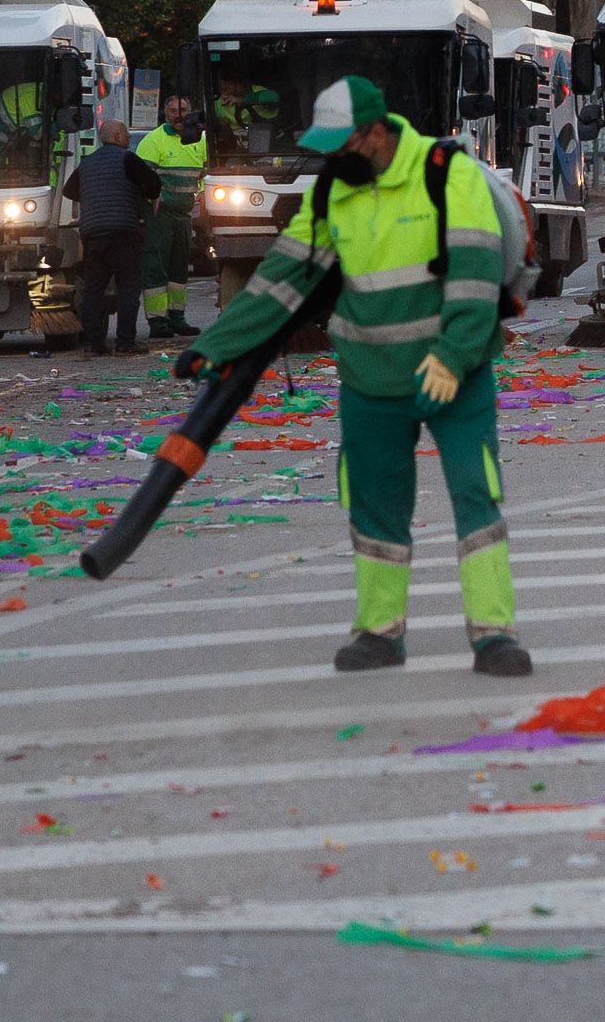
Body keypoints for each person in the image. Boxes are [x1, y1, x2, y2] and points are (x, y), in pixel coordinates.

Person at [180, 74, 527, 678]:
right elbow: (280, 281)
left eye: (342, 146)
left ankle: (494, 635)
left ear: (374, 133)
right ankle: (379, 633)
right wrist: (215, 346)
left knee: (475, 493)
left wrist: (452, 355)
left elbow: (475, 274)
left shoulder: (447, 173)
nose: (333, 160)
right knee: (374, 507)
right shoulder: (331, 193)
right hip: (371, 379)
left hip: (454, 374)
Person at [61, 123, 161, 354]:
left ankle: (92, 344)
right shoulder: (128, 159)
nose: (127, 138)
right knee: (128, 287)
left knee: (93, 289)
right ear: (117, 136)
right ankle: (125, 343)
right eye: (126, 134)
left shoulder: (87, 163)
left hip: (93, 234)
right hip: (124, 232)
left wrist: (92, 195)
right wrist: (143, 195)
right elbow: (154, 184)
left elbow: (69, 190)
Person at [134, 94, 210, 339]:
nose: (179, 116)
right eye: (174, 111)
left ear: (191, 112)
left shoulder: (201, 141)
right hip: (160, 215)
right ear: (165, 114)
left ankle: (177, 318)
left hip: (184, 215)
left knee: (179, 269)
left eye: (183, 110)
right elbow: (140, 178)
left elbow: (206, 174)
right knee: (156, 267)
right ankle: (158, 322)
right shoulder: (153, 141)